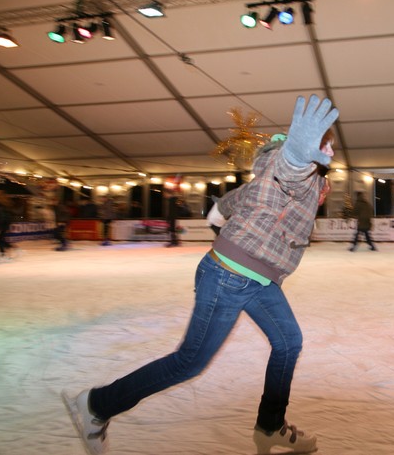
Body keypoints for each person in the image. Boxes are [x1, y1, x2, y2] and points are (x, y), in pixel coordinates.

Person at [62, 94, 339, 455]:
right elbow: (288, 172)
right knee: (188, 362)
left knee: (288, 343)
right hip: (231, 276)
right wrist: (299, 156)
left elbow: (245, 195)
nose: (330, 153)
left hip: (258, 279)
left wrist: (221, 209)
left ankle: (270, 425)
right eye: (325, 145)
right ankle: (96, 405)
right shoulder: (288, 165)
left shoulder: (297, 180)